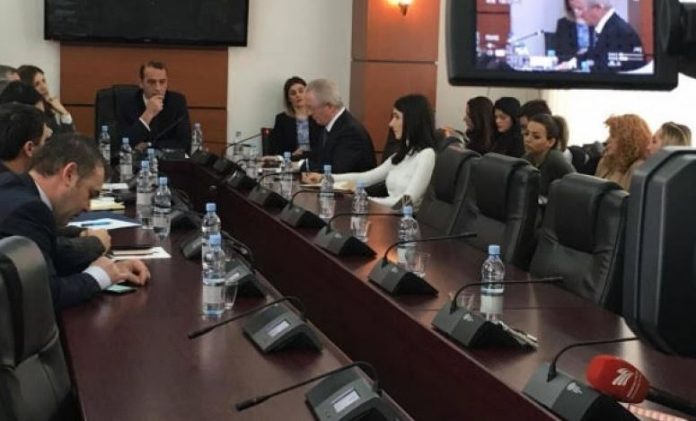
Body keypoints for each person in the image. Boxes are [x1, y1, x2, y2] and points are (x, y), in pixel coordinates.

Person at [0, 133, 150, 310]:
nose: (88, 207)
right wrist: (99, 276)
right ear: (69, 174)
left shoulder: (12, 185)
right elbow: (45, 295)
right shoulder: (28, 209)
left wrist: (113, 270)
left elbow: (48, 256)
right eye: (90, 194)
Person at [330, 94, 436, 211]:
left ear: (412, 120)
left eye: (397, 117)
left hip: (403, 219)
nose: (391, 123)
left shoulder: (427, 155)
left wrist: (366, 200)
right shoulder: (401, 155)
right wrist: (326, 178)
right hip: (385, 213)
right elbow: (366, 177)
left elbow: (407, 201)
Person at [116, 61, 192, 152]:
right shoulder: (127, 104)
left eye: (162, 82)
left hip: (166, 159)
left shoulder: (177, 102)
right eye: (152, 82)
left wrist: (149, 145)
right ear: (141, 83)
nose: (158, 88)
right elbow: (122, 144)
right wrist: (148, 115)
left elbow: (185, 143)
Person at [303, 78, 375, 173]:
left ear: (329, 106)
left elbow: (337, 170)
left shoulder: (351, 132)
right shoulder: (327, 125)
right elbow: (319, 157)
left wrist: (304, 166)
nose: (308, 113)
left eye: (311, 108)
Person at [569, 0, 645, 72]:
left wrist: (578, 65)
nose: (578, 14)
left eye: (580, 9)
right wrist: (573, 63)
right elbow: (595, 55)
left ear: (598, 7)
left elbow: (609, 70)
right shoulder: (608, 28)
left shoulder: (620, 32)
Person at [522, 113, 576, 197]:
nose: (527, 139)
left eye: (536, 137)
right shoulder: (527, 158)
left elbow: (577, 188)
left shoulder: (555, 159)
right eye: (526, 134)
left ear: (551, 142)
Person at [268, 76, 321, 158]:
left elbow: (325, 145)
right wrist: (292, 155)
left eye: (301, 91)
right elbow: (275, 151)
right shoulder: (282, 119)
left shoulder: (318, 115)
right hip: (292, 162)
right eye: (293, 93)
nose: (298, 95)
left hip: (316, 161)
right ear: (288, 99)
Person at [595, 114, 651, 190]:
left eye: (613, 136)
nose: (607, 140)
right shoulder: (604, 163)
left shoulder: (638, 169)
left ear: (627, 139)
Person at [17, 64, 76, 134]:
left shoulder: (46, 109)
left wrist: (64, 113)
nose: (44, 87)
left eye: (44, 81)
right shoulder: (23, 116)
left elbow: (67, 139)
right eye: (37, 84)